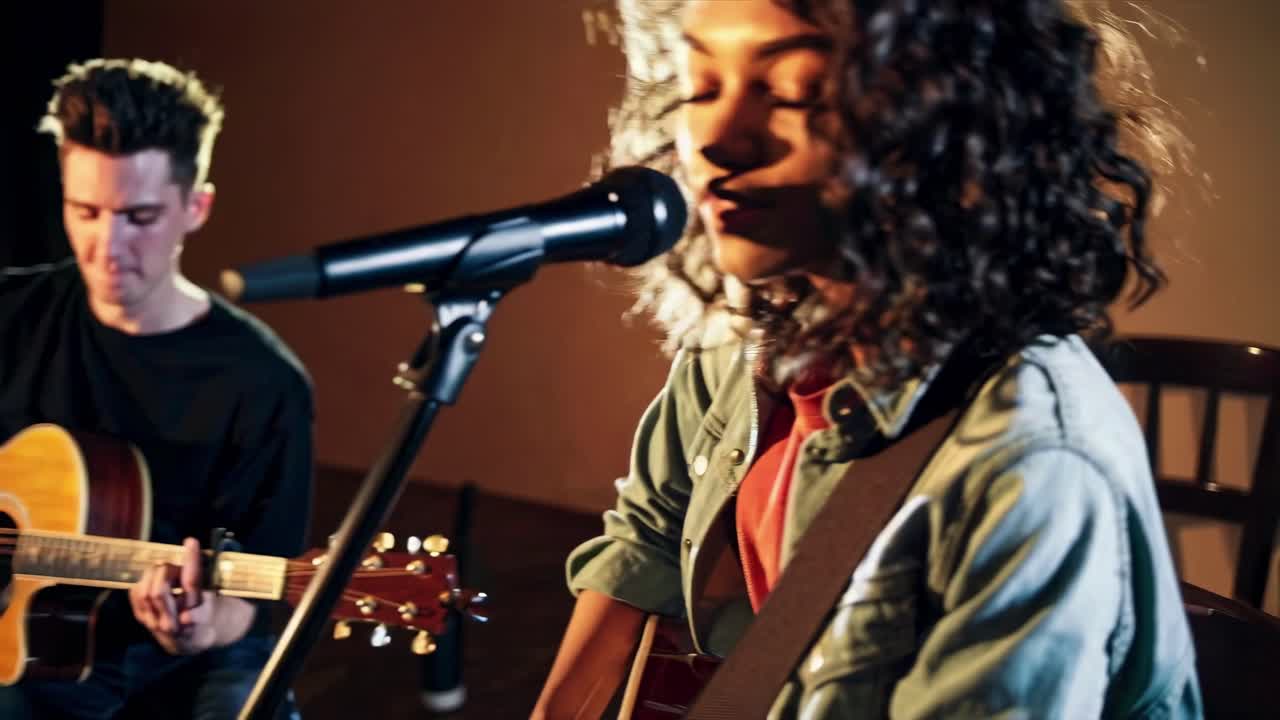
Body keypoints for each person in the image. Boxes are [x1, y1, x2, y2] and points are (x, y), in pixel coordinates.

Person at [533, 0, 1201, 717]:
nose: (717, 139)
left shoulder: (1030, 465)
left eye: (793, 92)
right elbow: (651, 536)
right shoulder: (745, 335)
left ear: (953, 125)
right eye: (702, 86)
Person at [0, 58, 311, 719]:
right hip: (35, 636)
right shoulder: (12, 315)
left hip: (187, 652)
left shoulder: (263, 385)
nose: (107, 246)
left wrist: (201, 623)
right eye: (85, 211)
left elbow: (253, 596)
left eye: (138, 217)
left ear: (196, 208)